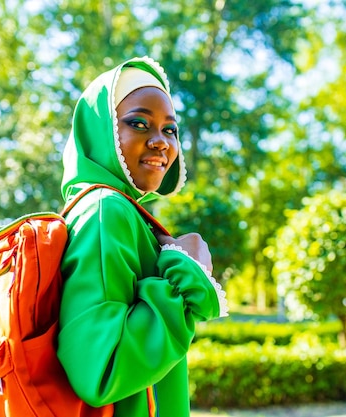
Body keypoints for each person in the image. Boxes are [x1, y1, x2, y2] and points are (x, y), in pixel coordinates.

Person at [57, 56, 229, 417]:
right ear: (101, 131)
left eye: (170, 130)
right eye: (139, 123)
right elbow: (101, 372)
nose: (161, 142)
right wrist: (186, 274)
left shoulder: (120, 214)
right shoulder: (107, 211)